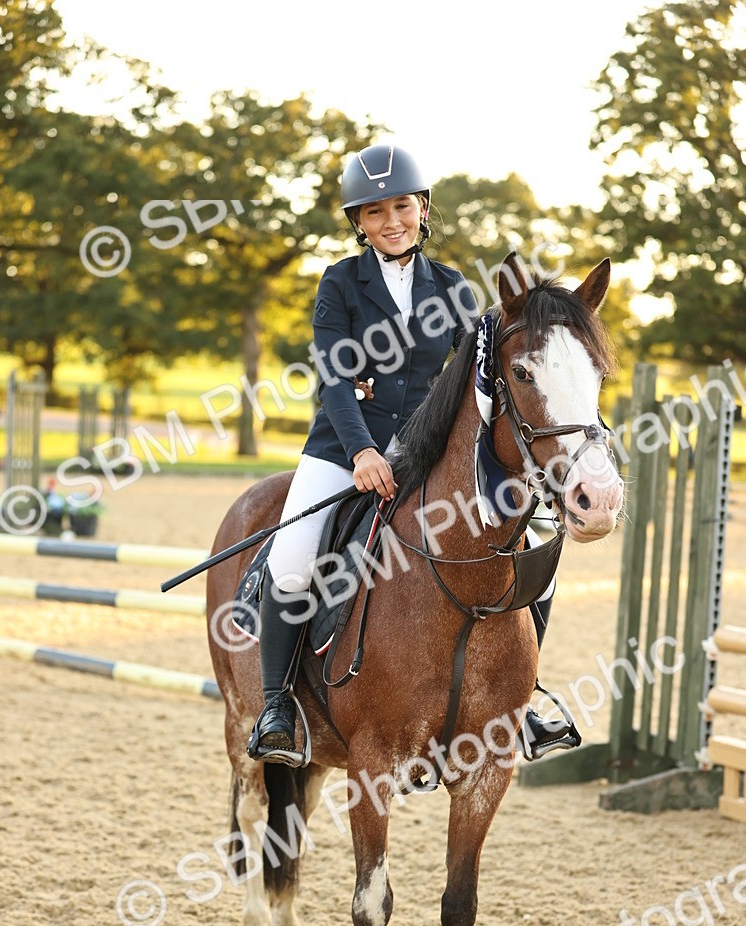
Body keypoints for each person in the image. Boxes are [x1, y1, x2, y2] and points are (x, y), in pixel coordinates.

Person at [247, 143, 577, 765]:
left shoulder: (452, 287)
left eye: (401, 206)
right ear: (358, 223)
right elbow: (335, 380)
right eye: (374, 212)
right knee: (292, 558)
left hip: (424, 453)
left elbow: (485, 367)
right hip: (344, 450)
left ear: (423, 210)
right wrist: (363, 452)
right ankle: (276, 708)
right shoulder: (341, 283)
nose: (390, 221)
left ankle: (523, 699)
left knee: (531, 547)